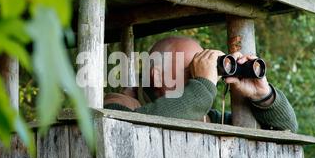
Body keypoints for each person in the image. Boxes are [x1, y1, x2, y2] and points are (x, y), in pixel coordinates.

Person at [104, 36, 298, 132]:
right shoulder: (117, 105)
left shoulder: (206, 118)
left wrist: (264, 96)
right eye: (193, 70)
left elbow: (286, 129)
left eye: (204, 69)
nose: (202, 77)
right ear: (157, 76)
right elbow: (128, 130)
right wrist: (203, 86)